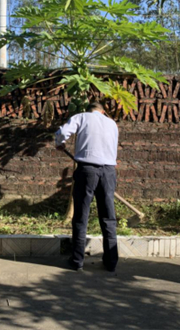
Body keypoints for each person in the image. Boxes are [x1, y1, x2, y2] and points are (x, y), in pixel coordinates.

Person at [55, 102, 119, 272]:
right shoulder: (112, 123)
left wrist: (59, 143)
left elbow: (62, 132)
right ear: (103, 111)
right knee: (108, 218)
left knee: (81, 216)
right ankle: (111, 262)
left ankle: (77, 261)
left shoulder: (81, 117)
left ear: (89, 110)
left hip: (87, 171)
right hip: (109, 172)